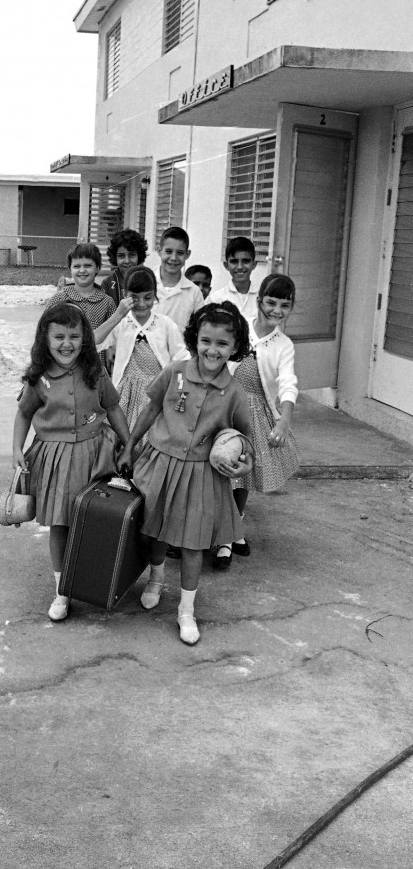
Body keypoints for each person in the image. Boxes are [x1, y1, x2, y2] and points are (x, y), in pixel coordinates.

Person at [118, 302, 253, 645]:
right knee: (156, 531)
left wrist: (244, 462)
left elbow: (244, 439)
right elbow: (150, 410)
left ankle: (186, 610)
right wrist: (130, 444)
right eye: (206, 340)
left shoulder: (234, 392)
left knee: (194, 544)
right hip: (161, 464)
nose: (213, 349)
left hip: (202, 476)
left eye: (222, 344)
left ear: (235, 347)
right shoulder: (175, 372)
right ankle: (156, 578)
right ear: (195, 339)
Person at [12, 303, 130, 623]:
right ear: (44, 339)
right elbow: (24, 413)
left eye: (75, 336)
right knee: (61, 523)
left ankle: (97, 580)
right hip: (56, 458)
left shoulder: (95, 370)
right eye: (59, 336)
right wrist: (16, 449)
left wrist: (129, 444)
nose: (67, 344)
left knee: (95, 518)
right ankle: (62, 590)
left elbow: (114, 407)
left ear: (86, 339)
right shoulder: (39, 377)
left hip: (95, 454)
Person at [229, 273, 300, 561]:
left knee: (242, 473)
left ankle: (234, 528)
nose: (277, 311)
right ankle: (209, 527)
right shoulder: (238, 327)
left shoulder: (284, 344)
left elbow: (287, 382)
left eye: (285, 306)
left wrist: (284, 420)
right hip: (225, 405)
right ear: (259, 301)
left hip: (256, 411)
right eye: (271, 302)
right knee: (215, 467)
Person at [95, 265, 188, 446]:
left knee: (150, 443)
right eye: (134, 298)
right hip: (124, 395)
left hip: (155, 395)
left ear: (155, 294)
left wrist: (179, 392)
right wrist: (117, 315)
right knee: (119, 442)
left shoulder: (165, 324)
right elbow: (94, 343)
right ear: (124, 294)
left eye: (148, 297)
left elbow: (182, 359)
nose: (142, 304)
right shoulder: (122, 323)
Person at [45, 242, 117, 359]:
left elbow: (113, 338)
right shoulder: (59, 298)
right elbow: (45, 331)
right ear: (70, 269)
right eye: (77, 266)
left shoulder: (107, 302)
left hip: (95, 366)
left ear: (97, 268)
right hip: (64, 364)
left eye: (88, 266)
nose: (82, 270)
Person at [151, 226, 204, 334]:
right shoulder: (144, 282)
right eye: (168, 251)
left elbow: (200, 329)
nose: (174, 258)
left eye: (180, 253)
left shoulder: (194, 292)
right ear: (159, 251)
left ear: (187, 254)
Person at [206, 236, 259, 321]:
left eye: (245, 261)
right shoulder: (216, 299)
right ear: (226, 265)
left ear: (254, 264)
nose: (240, 267)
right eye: (234, 261)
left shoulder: (262, 298)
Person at [100, 229, 149, 306]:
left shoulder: (148, 280)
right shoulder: (107, 284)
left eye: (132, 255)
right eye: (121, 256)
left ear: (139, 256)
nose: (127, 261)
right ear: (115, 257)